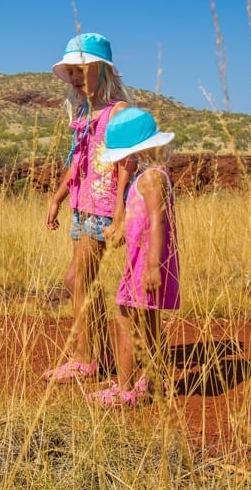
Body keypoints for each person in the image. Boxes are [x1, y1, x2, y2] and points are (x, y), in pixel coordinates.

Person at [42, 32, 136, 382]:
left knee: (77, 277)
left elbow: (128, 163)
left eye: (82, 68)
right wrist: (57, 198)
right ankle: (94, 355)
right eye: (71, 71)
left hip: (104, 209)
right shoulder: (83, 112)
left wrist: (121, 213)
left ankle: (87, 358)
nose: (76, 76)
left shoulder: (118, 112)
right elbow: (78, 161)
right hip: (81, 208)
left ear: (103, 69)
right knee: (83, 279)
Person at [87, 107, 180, 407]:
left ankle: (125, 389)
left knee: (126, 317)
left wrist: (153, 266)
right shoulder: (149, 176)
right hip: (144, 260)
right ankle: (152, 379)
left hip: (146, 264)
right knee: (149, 320)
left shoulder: (152, 179)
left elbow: (158, 221)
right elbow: (140, 221)